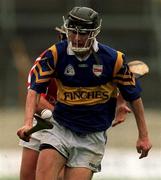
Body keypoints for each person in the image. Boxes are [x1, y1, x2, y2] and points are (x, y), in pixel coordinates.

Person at [17, 6, 152, 180]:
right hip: (58, 126)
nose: (76, 38)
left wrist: (143, 136)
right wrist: (28, 122)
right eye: (72, 32)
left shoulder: (113, 59)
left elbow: (133, 95)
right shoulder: (53, 55)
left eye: (83, 33)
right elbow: (34, 92)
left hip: (91, 136)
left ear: (94, 33)